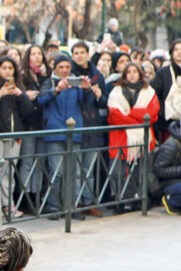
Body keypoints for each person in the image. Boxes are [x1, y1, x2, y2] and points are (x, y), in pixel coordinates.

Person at [37, 53, 93, 219]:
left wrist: (87, 88)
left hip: (74, 132)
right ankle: (53, 206)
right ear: (54, 68)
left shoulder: (76, 82)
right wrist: (56, 90)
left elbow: (86, 103)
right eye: (61, 67)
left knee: (73, 173)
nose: (64, 70)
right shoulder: (49, 82)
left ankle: (71, 207)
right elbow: (40, 101)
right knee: (56, 171)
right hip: (54, 132)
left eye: (67, 67)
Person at [107, 62, 160, 214]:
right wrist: (138, 117)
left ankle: (139, 199)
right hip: (120, 137)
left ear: (140, 74)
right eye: (128, 72)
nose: (131, 74)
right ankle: (122, 201)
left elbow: (151, 115)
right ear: (124, 75)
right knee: (119, 172)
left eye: (134, 71)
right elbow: (116, 117)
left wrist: (128, 113)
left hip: (143, 139)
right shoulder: (115, 92)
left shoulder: (149, 92)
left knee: (141, 171)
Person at [0, 56, 33, 218]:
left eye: (10, 68)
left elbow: (28, 110)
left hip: (14, 134)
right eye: (4, 68)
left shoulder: (19, 86)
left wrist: (20, 95)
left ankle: (8, 204)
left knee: (9, 171)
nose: (7, 71)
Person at [70, 41, 106, 217]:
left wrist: (99, 95)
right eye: (75, 52)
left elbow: (106, 101)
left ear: (87, 53)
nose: (79, 55)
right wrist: (86, 91)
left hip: (93, 126)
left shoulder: (96, 74)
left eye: (82, 52)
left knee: (89, 169)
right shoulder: (69, 73)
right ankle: (75, 203)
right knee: (76, 170)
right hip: (76, 125)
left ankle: (88, 200)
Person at [19, 45, 49, 211]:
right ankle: (25, 197)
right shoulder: (23, 76)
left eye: (39, 54)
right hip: (28, 125)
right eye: (33, 54)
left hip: (41, 124)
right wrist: (26, 96)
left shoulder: (44, 76)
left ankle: (37, 197)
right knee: (28, 162)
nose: (37, 57)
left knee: (39, 163)